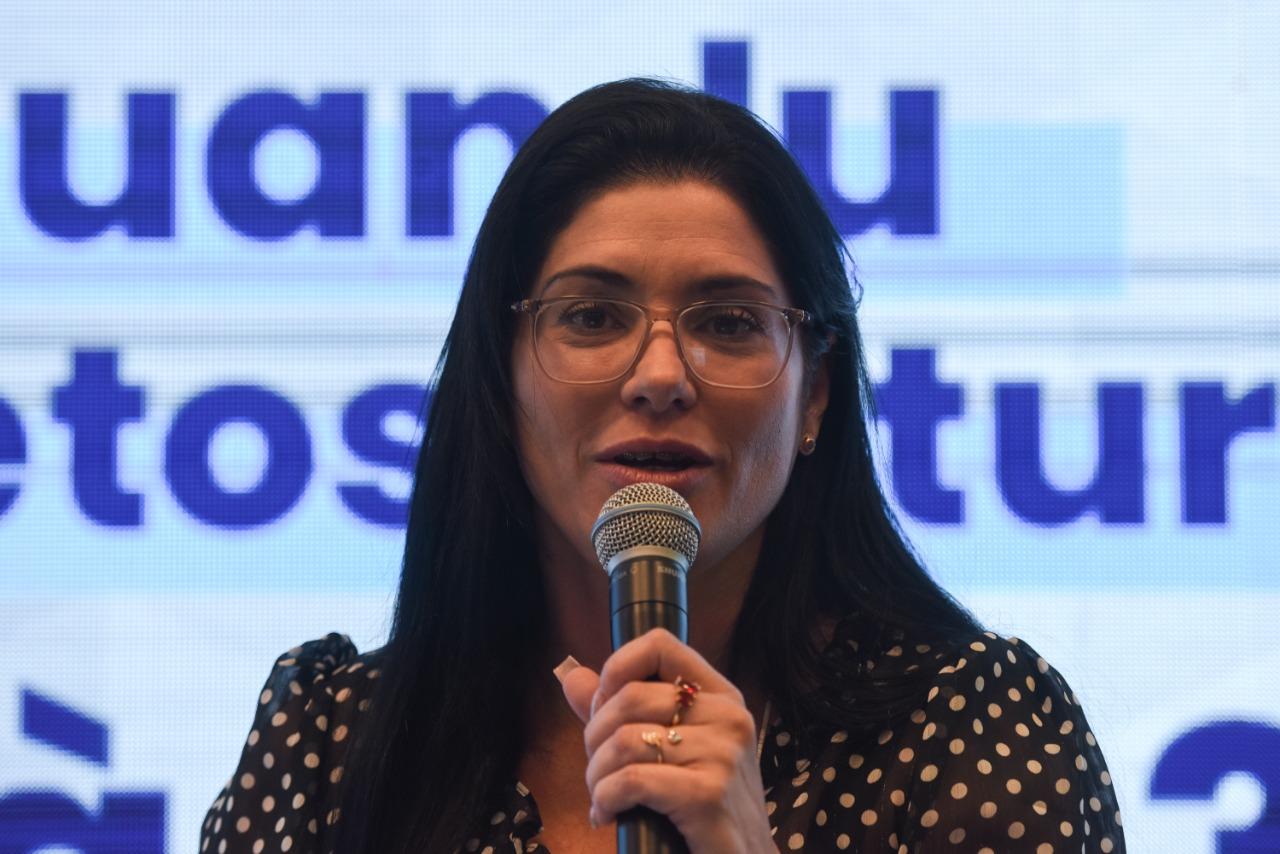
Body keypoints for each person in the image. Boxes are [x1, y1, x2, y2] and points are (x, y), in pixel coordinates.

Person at [200, 79, 1125, 853]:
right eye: (591, 317)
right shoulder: (331, 748)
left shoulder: (969, 727)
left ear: (814, 396)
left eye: (728, 322)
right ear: (500, 376)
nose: (659, 378)